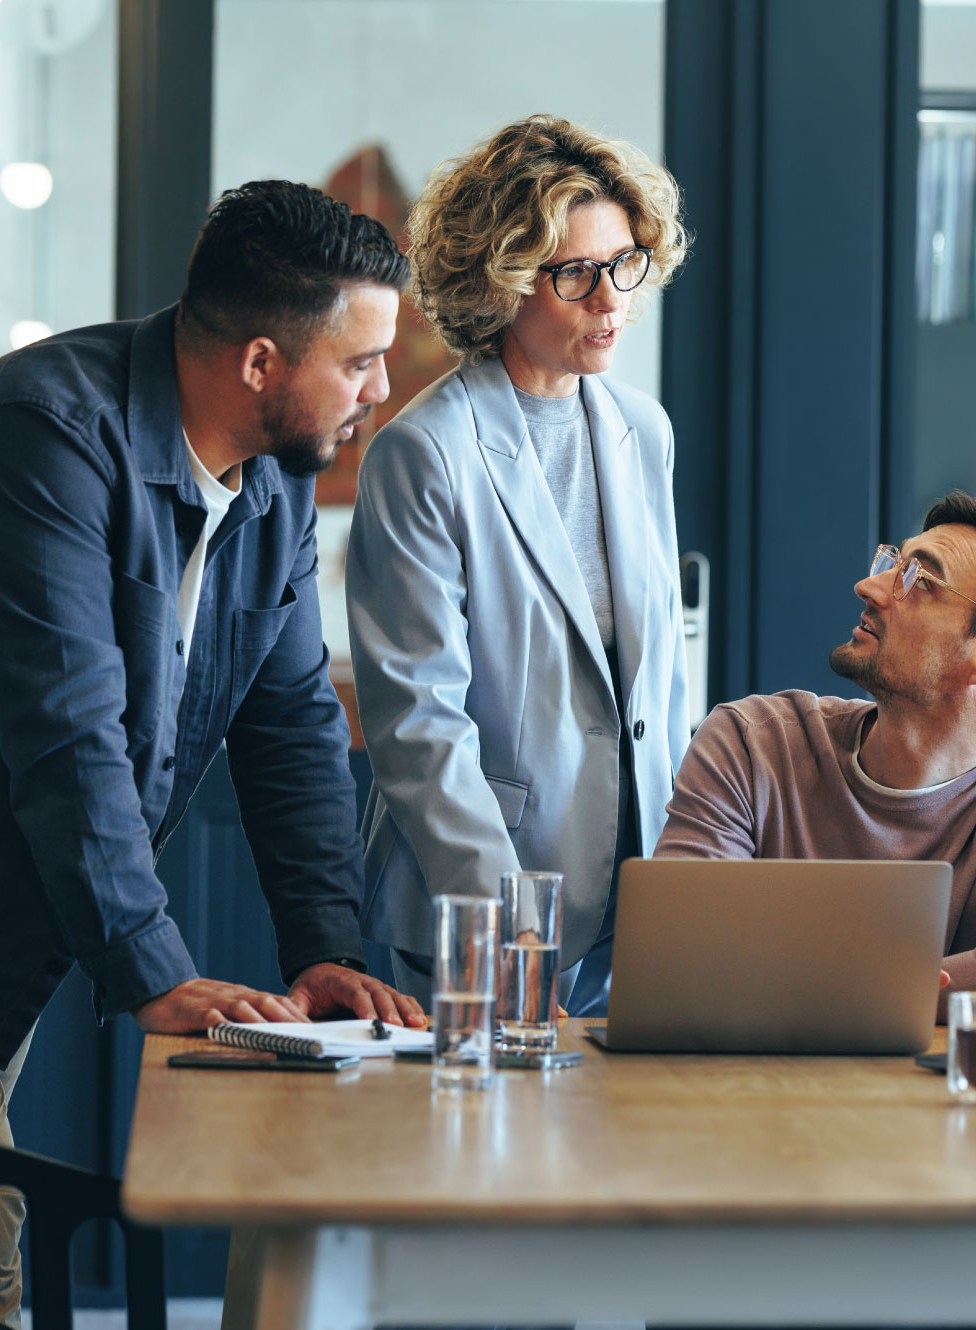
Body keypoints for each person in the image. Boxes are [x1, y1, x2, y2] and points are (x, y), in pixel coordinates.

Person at [0, 181, 423, 1329]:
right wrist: (151, 967)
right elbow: (67, 726)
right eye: (358, 362)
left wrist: (325, 953)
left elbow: (292, 720)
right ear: (262, 362)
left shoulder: (271, 484)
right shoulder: (44, 436)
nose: (380, 389)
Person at [347, 115, 690, 1013]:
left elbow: (660, 679)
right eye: (574, 273)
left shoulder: (641, 430)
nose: (609, 298)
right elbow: (419, 723)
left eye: (623, 263)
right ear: (498, 282)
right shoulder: (424, 451)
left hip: (640, 897)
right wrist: (507, 924)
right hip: (487, 900)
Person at [655, 489, 976, 1026]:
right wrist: (894, 990)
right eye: (890, 563)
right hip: (755, 1098)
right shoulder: (752, 743)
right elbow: (681, 957)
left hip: (949, 1107)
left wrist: (812, 990)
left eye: (917, 580)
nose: (870, 586)